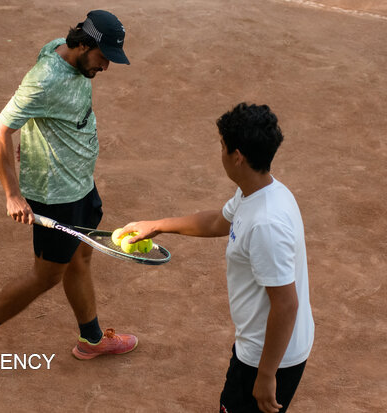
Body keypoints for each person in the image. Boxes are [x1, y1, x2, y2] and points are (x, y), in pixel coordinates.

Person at [0, 10, 137, 370]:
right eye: (103, 57)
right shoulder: (45, 78)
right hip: (56, 195)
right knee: (46, 275)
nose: (106, 67)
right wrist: (12, 194)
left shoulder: (59, 49)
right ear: (83, 45)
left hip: (80, 183)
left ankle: (92, 339)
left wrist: (35, 139)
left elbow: (38, 115)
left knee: (80, 258)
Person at [120, 103, 314, 412]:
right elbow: (217, 222)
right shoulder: (258, 191)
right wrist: (156, 226)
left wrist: (265, 375)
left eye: (222, 146)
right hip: (263, 346)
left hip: (267, 356)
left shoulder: (265, 224)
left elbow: (286, 304)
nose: (220, 153)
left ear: (237, 157)